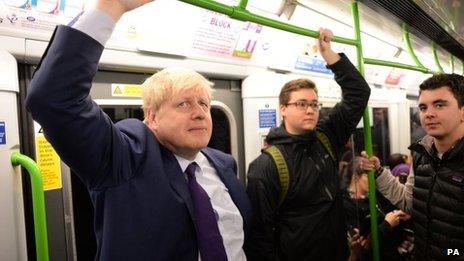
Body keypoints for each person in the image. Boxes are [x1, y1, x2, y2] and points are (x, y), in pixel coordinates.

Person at [25, 0, 251, 260]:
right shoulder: (125, 159)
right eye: (184, 103)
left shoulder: (223, 164)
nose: (200, 112)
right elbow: (53, 99)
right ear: (152, 117)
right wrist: (113, 6)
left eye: (204, 104)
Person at [245, 28, 371, 260]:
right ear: (283, 109)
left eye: (314, 104)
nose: (311, 110)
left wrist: (329, 55)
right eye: (301, 104)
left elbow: (359, 93)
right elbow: (259, 237)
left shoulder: (326, 137)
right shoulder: (267, 166)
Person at [360, 73, 464, 260]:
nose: (429, 113)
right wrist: (378, 172)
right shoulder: (422, 154)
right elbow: (409, 203)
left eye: (440, 105)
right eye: (423, 107)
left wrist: (450, 255)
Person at [342, 157, 411, 260]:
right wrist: (387, 225)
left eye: (373, 175)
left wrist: (399, 214)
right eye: (367, 175)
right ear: (356, 177)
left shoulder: (374, 195)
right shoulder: (347, 205)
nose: (372, 179)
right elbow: (363, 245)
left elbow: (388, 210)